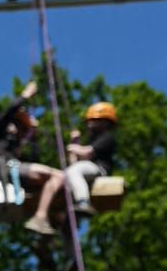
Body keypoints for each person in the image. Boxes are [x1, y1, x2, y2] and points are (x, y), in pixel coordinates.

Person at [23, 100, 117, 236]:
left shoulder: (107, 138)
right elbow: (75, 162)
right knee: (63, 177)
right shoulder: (91, 138)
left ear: (105, 122)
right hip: (85, 171)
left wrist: (76, 148)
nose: (89, 123)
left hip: (99, 170)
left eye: (94, 120)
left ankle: (83, 202)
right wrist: (74, 144)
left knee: (72, 171)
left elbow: (87, 153)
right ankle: (56, 225)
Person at [0, 79, 58, 207]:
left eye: (21, 126)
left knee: (52, 180)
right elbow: (8, 113)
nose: (16, 128)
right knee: (56, 175)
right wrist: (25, 95)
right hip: (4, 170)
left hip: (16, 173)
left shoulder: (16, 150)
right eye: (14, 123)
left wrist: (34, 137)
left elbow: (35, 161)